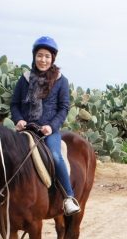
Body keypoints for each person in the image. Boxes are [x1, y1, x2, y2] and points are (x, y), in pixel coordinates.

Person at [10, 36, 80, 215]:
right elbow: (15, 104)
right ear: (34, 56)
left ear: (53, 58)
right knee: (6, 154)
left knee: (56, 156)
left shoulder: (60, 80)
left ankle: (68, 197)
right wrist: (18, 119)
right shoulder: (25, 79)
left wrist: (52, 126)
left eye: (47, 56)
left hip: (48, 131)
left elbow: (64, 107)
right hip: (26, 130)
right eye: (40, 55)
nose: (43, 60)